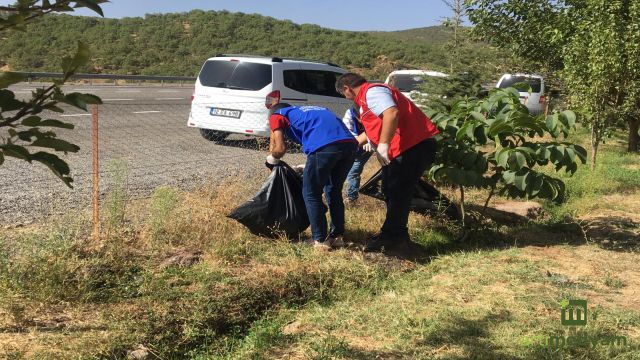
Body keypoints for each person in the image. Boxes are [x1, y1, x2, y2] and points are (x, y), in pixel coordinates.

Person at [335, 73, 439, 252]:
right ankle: (394, 233)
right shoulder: (366, 101)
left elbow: (392, 113)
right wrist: (346, 147)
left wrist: (383, 146)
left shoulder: (372, 92)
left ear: (347, 88)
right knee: (390, 190)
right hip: (404, 149)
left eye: (344, 94)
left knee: (398, 191)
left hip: (412, 147)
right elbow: (371, 131)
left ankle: (394, 237)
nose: (346, 97)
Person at [266, 103, 357, 250]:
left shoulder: (277, 115)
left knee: (310, 193)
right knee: (333, 191)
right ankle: (337, 237)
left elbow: (280, 148)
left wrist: (271, 159)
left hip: (325, 148)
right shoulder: (315, 109)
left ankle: (320, 240)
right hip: (350, 146)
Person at [341, 105, 373, 204]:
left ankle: (352, 198)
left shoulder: (373, 113)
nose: (361, 120)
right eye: (360, 118)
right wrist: (364, 139)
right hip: (352, 146)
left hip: (366, 150)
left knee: (353, 173)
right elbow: (347, 131)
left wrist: (371, 141)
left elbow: (380, 129)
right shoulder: (350, 113)